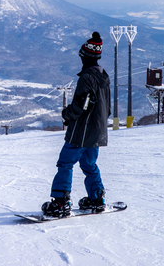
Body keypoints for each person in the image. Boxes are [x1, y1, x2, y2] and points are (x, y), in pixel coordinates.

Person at [42, 32, 112, 218]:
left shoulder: (86, 77)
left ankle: (60, 202)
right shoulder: (103, 76)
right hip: (98, 131)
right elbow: (108, 108)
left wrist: (67, 114)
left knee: (65, 163)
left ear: (85, 56)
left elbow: (81, 104)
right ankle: (97, 199)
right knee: (89, 164)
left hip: (82, 131)